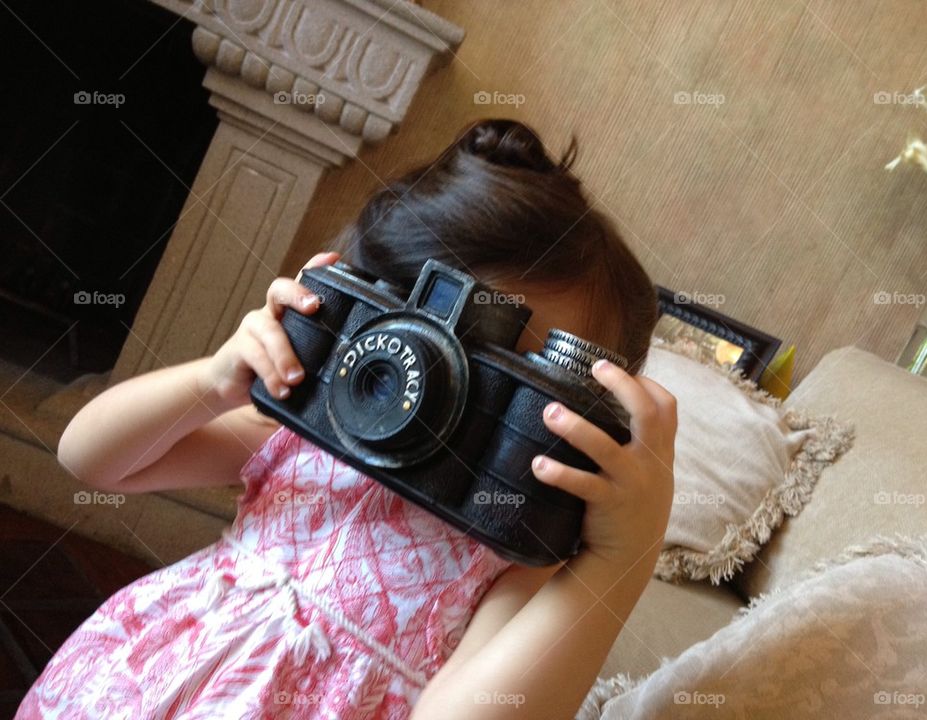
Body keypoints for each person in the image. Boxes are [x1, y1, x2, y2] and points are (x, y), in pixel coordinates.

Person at [16, 119, 676, 720]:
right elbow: (90, 457)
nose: (459, 404)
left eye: (516, 384)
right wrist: (212, 381)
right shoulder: (309, 432)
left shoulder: (511, 542)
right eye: (445, 353)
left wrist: (621, 557)